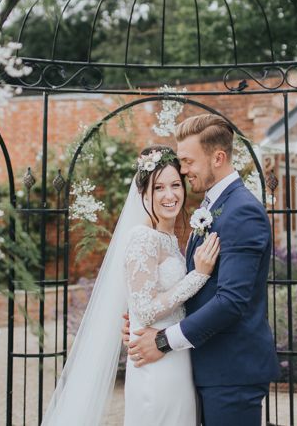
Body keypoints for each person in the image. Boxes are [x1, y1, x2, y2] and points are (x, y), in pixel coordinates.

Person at [41, 145, 219, 426]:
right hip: (156, 365)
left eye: (175, 185)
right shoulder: (143, 238)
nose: (169, 195)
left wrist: (134, 321)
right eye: (159, 187)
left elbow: (149, 304)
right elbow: (145, 310)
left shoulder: (168, 240)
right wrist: (198, 275)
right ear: (143, 194)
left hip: (174, 357)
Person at [123, 114, 280, 426]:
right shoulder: (213, 206)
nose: (182, 171)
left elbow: (231, 301)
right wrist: (142, 319)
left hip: (231, 371)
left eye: (187, 161)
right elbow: (191, 288)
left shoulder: (242, 211)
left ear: (218, 157)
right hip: (203, 366)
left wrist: (163, 339)